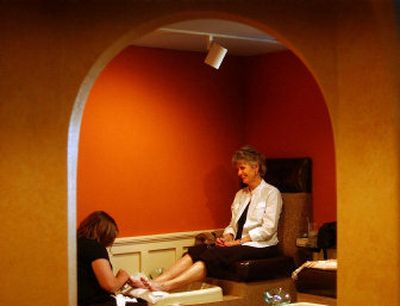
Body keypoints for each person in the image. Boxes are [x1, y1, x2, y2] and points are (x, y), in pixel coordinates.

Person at [141, 145, 283, 292]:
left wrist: (237, 242)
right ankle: (155, 282)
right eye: (238, 169)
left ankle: (166, 286)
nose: (239, 173)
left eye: (242, 168)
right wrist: (228, 236)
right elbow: (232, 225)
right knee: (197, 251)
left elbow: (268, 230)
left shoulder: (271, 193)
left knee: (211, 256)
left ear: (256, 167)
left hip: (261, 247)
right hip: (237, 244)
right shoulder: (240, 195)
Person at [77, 211, 146, 306]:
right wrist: (123, 276)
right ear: (105, 233)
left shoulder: (76, 244)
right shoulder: (94, 248)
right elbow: (110, 286)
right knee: (143, 303)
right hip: (95, 303)